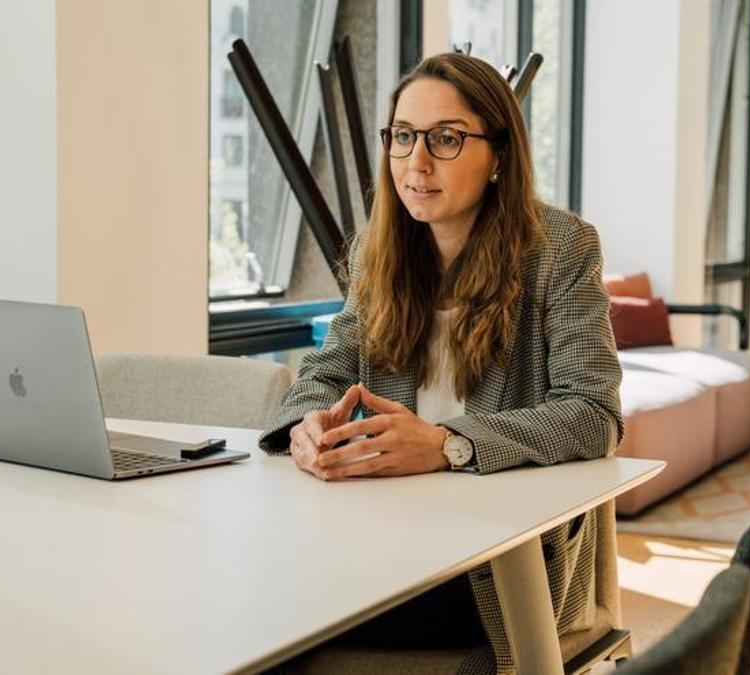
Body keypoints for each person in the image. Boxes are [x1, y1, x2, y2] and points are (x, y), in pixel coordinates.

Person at [258, 52, 622, 674]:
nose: (416, 162)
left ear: (499, 156)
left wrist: (448, 445)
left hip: (504, 561)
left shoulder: (560, 248)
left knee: (276, 622)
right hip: (384, 534)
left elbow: (594, 414)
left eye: (446, 139)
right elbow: (323, 371)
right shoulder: (379, 250)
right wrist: (307, 425)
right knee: (254, 608)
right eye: (403, 137)